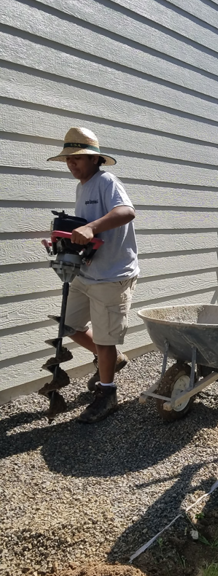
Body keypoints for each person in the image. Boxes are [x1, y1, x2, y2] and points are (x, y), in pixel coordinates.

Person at [47, 127, 139, 423]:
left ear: (95, 159)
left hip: (112, 274)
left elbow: (126, 212)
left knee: (104, 338)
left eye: (77, 158)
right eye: (68, 159)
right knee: (69, 324)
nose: (71, 163)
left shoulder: (106, 181)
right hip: (86, 271)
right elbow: (85, 231)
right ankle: (111, 359)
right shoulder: (82, 187)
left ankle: (107, 393)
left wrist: (90, 227)